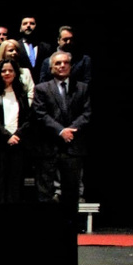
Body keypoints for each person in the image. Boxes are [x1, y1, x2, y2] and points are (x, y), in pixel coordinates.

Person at [32, 50, 90, 223]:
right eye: (58, 63)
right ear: (51, 68)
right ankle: (47, 224)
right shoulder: (42, 88)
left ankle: (70, 224)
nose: (62, 66)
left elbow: (87, 113)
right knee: (45, 190)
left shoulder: (82, 88)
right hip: (49, 145)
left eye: (65, 62)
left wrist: (70, 130)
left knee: (71, 190)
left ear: (71, 66)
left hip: (73, 145)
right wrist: (60, 131)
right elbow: (40, 114)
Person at [0, 58, 32, 204]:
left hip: (17, 143)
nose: (7, 73)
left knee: (15, 182)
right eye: (4, 71)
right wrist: (6, 136)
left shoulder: (21, 93)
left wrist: (17, 135)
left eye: (10, 70)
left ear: (16, 73)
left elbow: (28, 117)